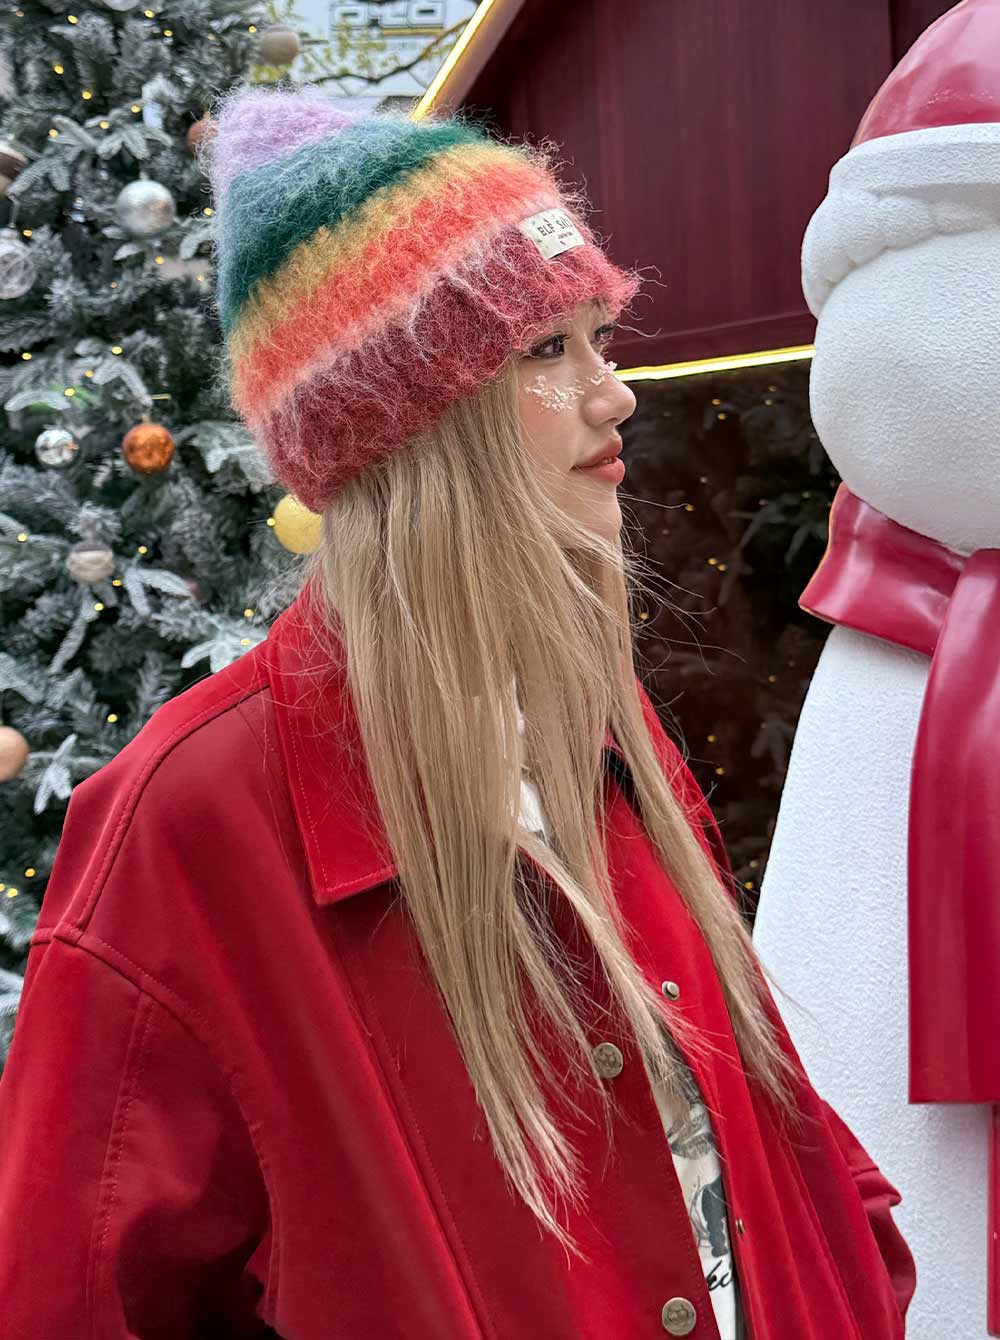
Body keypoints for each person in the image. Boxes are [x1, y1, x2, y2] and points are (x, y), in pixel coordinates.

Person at [0, 85, 916, 1339]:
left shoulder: (599, 726)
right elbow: (75, 1297)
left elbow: (762, 1123)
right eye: (548, 351)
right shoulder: (191, 822)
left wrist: (855, 1267)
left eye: (602, 339)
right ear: (403, 422)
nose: (614, 397)